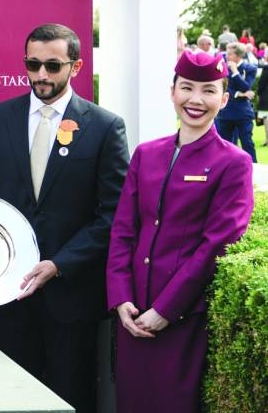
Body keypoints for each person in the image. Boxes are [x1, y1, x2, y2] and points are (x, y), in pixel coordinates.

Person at [0, 23, 129, 413]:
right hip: (5, 294)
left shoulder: (106, 127)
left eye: (53, 66)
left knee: (69, 397)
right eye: (33, 64)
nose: (41, 75)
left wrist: (59, 264)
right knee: (6, 399)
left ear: (75, 67)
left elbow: (114, 214)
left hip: (71, 297)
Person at [107, 49, 254, 413]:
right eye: (187, 88)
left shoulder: (233, 164)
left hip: (182, 319)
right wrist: (121, 297)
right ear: (172, 91)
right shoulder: (147, 153)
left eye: (208, 91)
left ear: (224, 98)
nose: (196, 100)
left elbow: (216, 245)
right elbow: (124, 229)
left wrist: (165, 310)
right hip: (133, 313)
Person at [214, 41, 257, 162]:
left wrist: (235, 72)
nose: (226, 56)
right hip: (226, 112)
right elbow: (224, 89)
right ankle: (224, 167)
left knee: (247, 143)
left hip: (243, 113)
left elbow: (246, 86)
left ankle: (254, 167)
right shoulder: (223, 68)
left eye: (230, 54)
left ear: (239, 56)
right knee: (225, 144)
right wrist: (241, 94)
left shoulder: (250, 69)